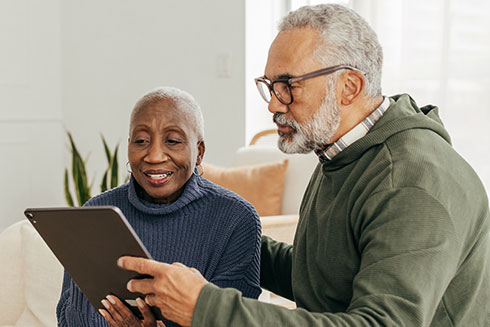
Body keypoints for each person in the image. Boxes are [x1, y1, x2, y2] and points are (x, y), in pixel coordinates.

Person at [116, 4, 490, 327]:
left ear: (349, 86)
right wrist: (218, 231)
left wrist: (204, 307)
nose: (273, 104)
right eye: (270, 85)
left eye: (287, 85)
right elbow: (324, 276)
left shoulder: (410, 182)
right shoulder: (343, 155)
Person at [56, 86, 262, 327]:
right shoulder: (95, 212)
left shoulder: (235, 219)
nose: (154, 156)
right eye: (141, 140)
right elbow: (66, 318)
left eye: (173, 141)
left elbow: (235, 322)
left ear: (199, 152)